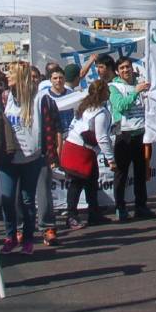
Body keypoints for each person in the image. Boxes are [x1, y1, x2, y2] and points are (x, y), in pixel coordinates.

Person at [0, 63, 55, 255]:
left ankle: (28, 238)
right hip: (8, 157)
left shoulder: (40, 99)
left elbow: (48, 128)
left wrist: (49, 154)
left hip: (31, 157)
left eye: (11, 73)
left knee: (27, 200)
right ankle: (10, 236)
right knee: (7, 198)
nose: (7, 76)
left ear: (20, 77)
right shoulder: (6, 97)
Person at [58, 73, 112, 227]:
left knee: (91, 182)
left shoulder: (87, 106)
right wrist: (111, 159)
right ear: (102, 93)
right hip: (79, 151)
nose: (108, 93)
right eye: (107, 91)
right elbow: (102, 138)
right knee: (76, 184)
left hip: (78, 148)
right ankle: (71, 216)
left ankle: (94, 214)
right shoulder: (99, 112)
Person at [107, 56, 154, 221]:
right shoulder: (113, 87)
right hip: (123, 134)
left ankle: (141, 206)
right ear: (117, 72)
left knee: (141, 172)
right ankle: (120, 207)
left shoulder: (140, 83)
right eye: (122, 69)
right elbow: (120, 105)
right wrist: (136, 92)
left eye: (127, 67)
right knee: (121, 174)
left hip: (141, 134)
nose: (126, 71)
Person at [39, 63, 74, 241]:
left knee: (70, 176)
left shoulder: (72, 95)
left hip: (71, 136)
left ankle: (70, 210)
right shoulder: (44, 98)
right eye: (55, 78)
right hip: (54, 139)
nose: (58, 80)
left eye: (61, 77)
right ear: (50, 81)